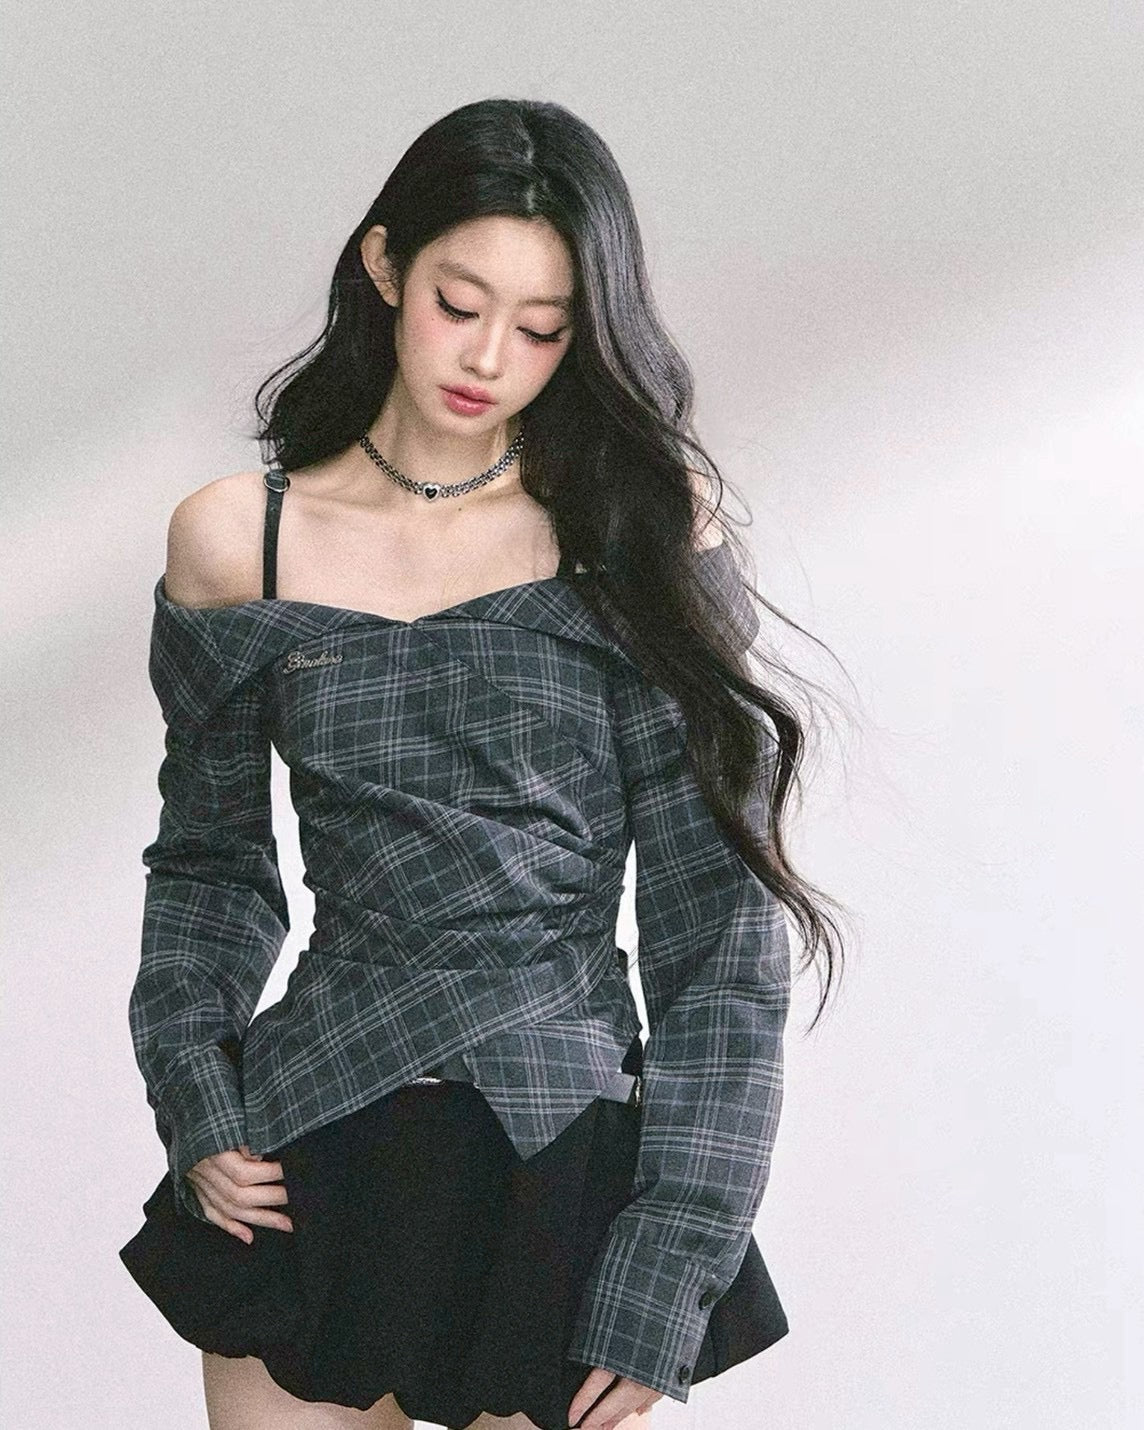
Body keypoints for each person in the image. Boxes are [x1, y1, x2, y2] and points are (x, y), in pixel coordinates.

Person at [118, 98, 846, 1430]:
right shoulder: (238, 539)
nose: (491, 356)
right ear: (385, 265)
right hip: (310, 1144)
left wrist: (672, 1265)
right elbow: (208, 868)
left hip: (559, 1166)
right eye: (461, 302)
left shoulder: (642, 537)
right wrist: (198, 1102)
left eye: (545, 326)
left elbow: (719, 939)